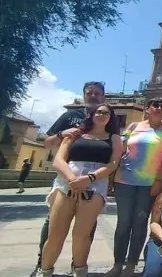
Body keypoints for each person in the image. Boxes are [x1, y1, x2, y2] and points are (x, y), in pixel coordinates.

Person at [39, 104, 123, 277]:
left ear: (110, 118)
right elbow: (58, 160)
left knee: (81, 235)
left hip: (95, 185)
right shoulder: (75, 134)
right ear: (92, 115)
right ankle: (45, 271)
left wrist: (88, 178)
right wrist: (73, 179)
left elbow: (113, 164)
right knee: (55, 234)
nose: (102, 115)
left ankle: (79, 271)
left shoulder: (114, 138)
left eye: (106, 113)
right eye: (99, 112)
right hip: (66, 183)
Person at [36, 81, 105, 271]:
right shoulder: (70, 116)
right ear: (84, 96)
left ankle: (79, 264)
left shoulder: (106, 120)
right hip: (65, 178)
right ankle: (43, 261)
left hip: (93, 182)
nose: (93, 96)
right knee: (53, 224)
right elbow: (47, 143)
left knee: (87, 227)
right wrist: (61, 134)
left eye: (97, 93)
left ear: (103, 97)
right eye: (89, 93)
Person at [107, 98, 162, 277]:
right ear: (147, 108)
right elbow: (121, 151)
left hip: (149, 184)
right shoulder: (133, 127)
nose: (160, 108)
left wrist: (159, 181)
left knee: (139, 223)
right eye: (156, 105)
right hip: (124, 180)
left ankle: (131, 265)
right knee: (123, 223)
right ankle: (117, 264)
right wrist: (110, 176)